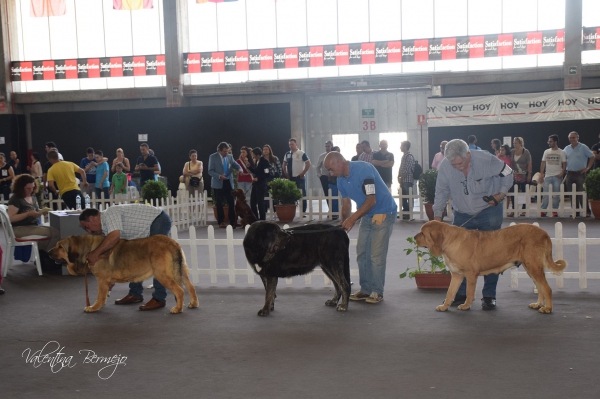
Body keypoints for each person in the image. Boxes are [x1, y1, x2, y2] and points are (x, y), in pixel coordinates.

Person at [433, 139, 513, 310]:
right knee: (458, 257)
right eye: (453, 164)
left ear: (468, 154)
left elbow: (508, 172)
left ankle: (489, 295)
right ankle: (461, 294)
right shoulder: (446, 166)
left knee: (491, 255)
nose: (458, 167)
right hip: (462, 215)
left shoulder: (486, 159)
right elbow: (441, 191)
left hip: (489, 212)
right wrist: (437, 217)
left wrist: (500, 194)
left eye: (460, 163)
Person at [324, 151, 397, 304]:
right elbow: (346, 204)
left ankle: (377, 291)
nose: (330, 173)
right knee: (362, 253)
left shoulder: (364, 169)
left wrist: (352, 219)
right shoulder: (340, 181)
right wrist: (343, 224)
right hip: (367, 214)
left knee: (376, 255)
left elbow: (371, 200)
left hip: (383, 212)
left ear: (340, 162)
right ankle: (365, 290)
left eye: (331, 169)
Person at [79, 204, 173, 311]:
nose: (89, 232)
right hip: (142, 232)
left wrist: (95, 254)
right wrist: (111, 278)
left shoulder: (109, 214)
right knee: (134, 260)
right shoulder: (105, 229)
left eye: (87, 227)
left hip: (158, 220)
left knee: (157, 261)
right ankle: (135, 294)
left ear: (92, 219)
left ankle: (159, 298)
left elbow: (114, 236)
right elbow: (113, 252)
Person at [7, 174, 60, 254]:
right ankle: (46, 256)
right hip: (18, 229)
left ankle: (43, 255)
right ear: (21, 188)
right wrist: (27, 214)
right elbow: (11, 218)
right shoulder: (16, 199)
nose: (31, 190)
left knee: (56, 231)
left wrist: (42, 211)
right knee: (52, 233)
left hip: (32, 226)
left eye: (33, 187)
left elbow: (35, 210)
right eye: (28, 188)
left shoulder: (32, 196)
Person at [208, 142, 242, 228]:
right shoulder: (213, 157)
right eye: (224, 151)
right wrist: (219, 176)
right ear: (219, 151)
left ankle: (233, 221)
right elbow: (210, 171)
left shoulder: (230, 157)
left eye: (227, 151)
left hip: (228, 182)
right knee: (219, 203)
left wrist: (240, 169)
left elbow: (236, 165)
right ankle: (221, 221)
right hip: (218, 183)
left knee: (231, 202)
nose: (226, 153)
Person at [564, 131, 594, 217]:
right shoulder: (566, 148)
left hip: (580, 173)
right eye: (570, 138)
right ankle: (575, 211)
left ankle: (586, 211)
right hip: (569, 173)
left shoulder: (583, 147)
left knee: (582, 193)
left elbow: (592, 156)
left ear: (578, 138)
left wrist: (587, 168)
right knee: (571, 194)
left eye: (573, 137)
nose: (572, 139)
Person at [539, 134, 566, 217]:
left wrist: (562, 173)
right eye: (549, 141)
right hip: (548, 175)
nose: (549, 143)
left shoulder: (561, 152)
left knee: (556, 194)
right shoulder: (546, 151)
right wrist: (541, 174)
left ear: (555, 142)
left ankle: (555, 210)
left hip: (557, 175)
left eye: (550, 141)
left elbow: (564, 163)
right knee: (545, 194)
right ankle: (543, 210)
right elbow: (543, 163)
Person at [282, 138, 311, 213]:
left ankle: (303, 211)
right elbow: (284, 164)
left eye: (292, 144)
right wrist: (285, 173)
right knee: (291, 194)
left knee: (302, 194)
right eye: (289, 145)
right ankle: (292, 211)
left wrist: (303, 173)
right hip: (290, 177)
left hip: (299, 177)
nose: (291, 146)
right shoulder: (287, 154)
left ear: (296, 144)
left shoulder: (301, 153)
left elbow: (308, 164)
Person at [508, 137, 532, 217]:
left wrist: (529, 174)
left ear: (520, 143)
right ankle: (514, 209)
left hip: (524, 174)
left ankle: (524, 210)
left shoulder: (526, 152)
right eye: (514, 143)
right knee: (513, 192)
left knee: (524, 192)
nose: (514, 144)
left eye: (516, 143)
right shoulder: (512, 152)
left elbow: (529, 163)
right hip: (514, 175)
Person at [247, 147, 270, 221]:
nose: (252, 155)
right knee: (252, 202)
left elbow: (267, 173)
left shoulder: (264, 161)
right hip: (255, 185)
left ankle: (262, 219)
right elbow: (256, 172)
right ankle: (255, 218)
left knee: (260, 203)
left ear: (257, 154)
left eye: (253, 154)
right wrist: (249, 167)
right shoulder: (257, 161)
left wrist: (258, 178)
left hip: (261, 185)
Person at [398, 141, 415, 220]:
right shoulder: (404, 156)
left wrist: (401, 178)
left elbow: (407, 169)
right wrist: (399, 177)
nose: (400, 147)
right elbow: (401, 168)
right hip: (403, 180)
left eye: (401, 146)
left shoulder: (409, 157)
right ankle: (405, 212)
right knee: (403, 197)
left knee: (409, 197)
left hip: (407, 180)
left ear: (405, 147)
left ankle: (409, 213)